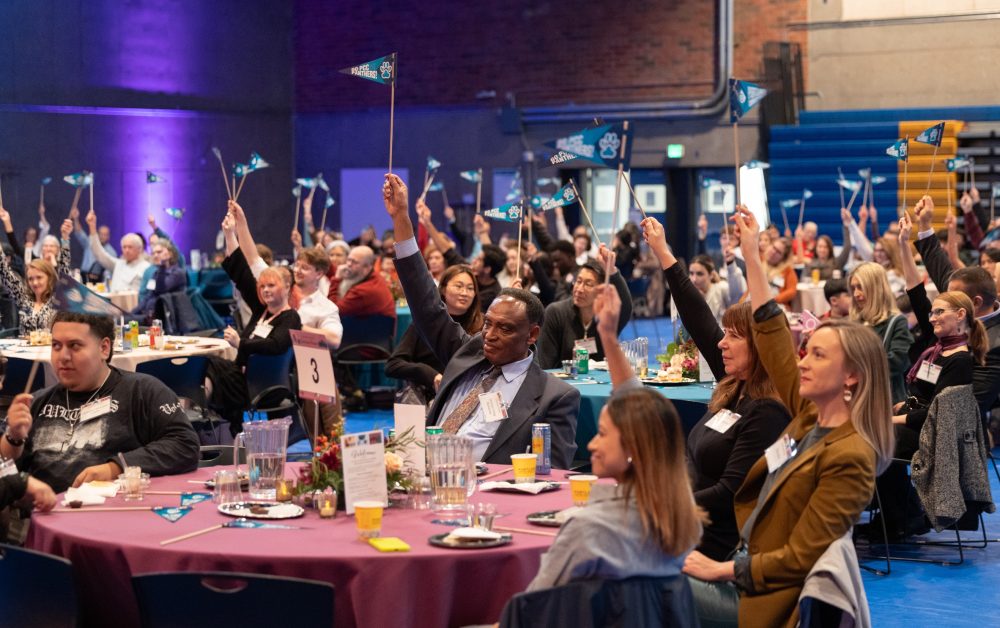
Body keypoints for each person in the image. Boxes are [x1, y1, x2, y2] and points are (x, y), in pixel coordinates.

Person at [682, 207, 893, 628]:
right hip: (744, 561)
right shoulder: (807, 416)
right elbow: (773, 335)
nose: (802, 363)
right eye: (806, 350)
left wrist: (718, 570)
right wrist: (752, 256)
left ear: (851, 375)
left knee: (637, 581)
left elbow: (803, 557)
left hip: (769, 601)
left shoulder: (852, 456)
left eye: (817, 355)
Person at [383, 173, 580, 467]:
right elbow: (426, 304)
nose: (489, 334)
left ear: (532, 334)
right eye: (488, 323)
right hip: (419, 474)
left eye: (505, 328)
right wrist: (401, 218)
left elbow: (552, 475)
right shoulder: (470, 352)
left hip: (483, 494)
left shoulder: (555, 396)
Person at [640, 216, 791, 561]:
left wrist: (662, 501)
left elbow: (730, 493)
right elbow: (697, 316)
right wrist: (663, 251)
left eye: (734, 337)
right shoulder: (734, 384)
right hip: (689, 521)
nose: (721, 344)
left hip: (716, 544)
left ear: (761, 347)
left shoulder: (767, 411)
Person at [521, 385, 704, 591]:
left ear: (633, 448)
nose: (591, 445)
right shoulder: (683, 520)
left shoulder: (589, 528)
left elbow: (537, 601)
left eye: (602, 434)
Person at [2, 311, 200, 494]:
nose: (63, 356)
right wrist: (13, 438)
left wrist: (116, 467)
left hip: (112, 515)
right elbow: (5, 471)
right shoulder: (36, 402)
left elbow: (185, 444)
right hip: (45, 515)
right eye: (56, 346)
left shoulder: (141, 391)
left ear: (104, 348)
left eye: (74, 346)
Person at [208, 206, 302, 434]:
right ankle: (213, 423)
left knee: (210, 364)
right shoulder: (262, 309)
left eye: (272, 286)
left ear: (287, 287)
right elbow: (240, 273)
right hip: (243, 379)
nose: (266, 291)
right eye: (263, 287)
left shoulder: (291, 317)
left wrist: (241, 343)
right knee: (207, 364)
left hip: (262, 384)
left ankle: (214, 423)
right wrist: (230, 234)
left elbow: (276, 345)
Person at [913, 194, 1000, 423]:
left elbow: (971, 408)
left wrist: (912, 417)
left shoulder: (996, 343)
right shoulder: (961, 300)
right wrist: (924, 224)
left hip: (954, 426)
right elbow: (939, 267)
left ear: (975, 303)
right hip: (928, 407)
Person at [386, 264, 482, 403]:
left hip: (469, 398)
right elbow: (393, 365)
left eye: (470, 288)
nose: (464, 293)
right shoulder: (425, 324)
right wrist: (429, 375)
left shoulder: (483, 326)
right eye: (458, 286)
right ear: (443, 289)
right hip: (429, 398)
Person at [535, 254, 632, 369]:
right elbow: (545, 365)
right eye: (578, 281)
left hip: (601, 383)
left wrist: (612, 271)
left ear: (602, 290)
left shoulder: (607, 316)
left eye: (588, 284)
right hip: (564, 383)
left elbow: (625, 306)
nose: (579, 289)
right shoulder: (555, 313)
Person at [848, 262, 913, 404]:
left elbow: (897, 362)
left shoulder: (897, 322)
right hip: (855, 399)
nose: (856, 294)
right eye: (853, 288)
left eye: (861, 287)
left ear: (875, 289)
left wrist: (856, 368)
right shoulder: (852, 322)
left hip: (884, 402)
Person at [0, 220, 71, 334]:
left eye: (39, 277)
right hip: (23, 350)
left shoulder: (57, 299)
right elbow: (5, 274)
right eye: (31, 279)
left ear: (49, 277)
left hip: (49, 350)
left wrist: (65, 238)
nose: (35, 283)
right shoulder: (24, 299)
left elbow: (65, 271)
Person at [86, 210, 150, 292]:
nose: (126, 250)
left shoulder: (147, 268)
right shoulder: (118, 264)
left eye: (130, 247)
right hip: (113, 303)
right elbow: (99, 254)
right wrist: (92, 227)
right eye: (124, 247)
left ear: (139, 249)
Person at [326, 244, 396, 318]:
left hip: (366, 328)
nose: (349, 264)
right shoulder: (373, 276)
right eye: (349, 260)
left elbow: (332, 311)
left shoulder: (362, 291)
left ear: (367, 268)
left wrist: (336, 279)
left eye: (354, 262)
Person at [131, 240, 187, 324]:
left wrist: (162, 265)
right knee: (125, 319)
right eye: (153, 253)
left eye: (159, 252)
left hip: (167, 317)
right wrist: (132, 313)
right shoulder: (156, 273)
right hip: (149, 314)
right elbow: (149, 296)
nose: (156, 255)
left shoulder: (178, 273)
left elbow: (161, 288)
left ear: (170, 254)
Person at [70, 205, 114, 283]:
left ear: (109, 236)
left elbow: (110, 271)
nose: (103, 237)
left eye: (105, 234)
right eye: (101, 234)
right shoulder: (89, 243)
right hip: (83, 276)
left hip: (99, 280)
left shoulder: (111, 251)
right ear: (97, 234)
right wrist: (76, 218)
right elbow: (79, 233)